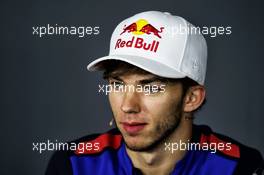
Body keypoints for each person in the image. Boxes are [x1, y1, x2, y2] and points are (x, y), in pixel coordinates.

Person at [45, 11, 263, 175]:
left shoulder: (239, 167)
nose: (127, 106)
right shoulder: (74, 164)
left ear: (191, 98)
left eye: (150, 87)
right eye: (118, 84)